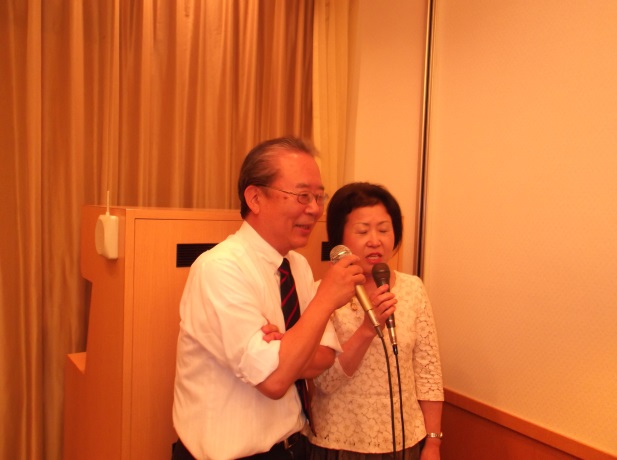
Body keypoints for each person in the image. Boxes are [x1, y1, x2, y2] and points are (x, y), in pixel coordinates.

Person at [171, 137, 364, 460]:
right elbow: (274, 381)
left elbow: (325, 357)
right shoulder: (220, 269)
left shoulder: (297, 266)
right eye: (302, 195)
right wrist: (325, 300)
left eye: (318, 196)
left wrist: (285, 346)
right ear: (255, 198)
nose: (314, 209)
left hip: (293, 447)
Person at [308, 182, 444, 460]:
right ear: (339, 239)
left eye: (383, 230)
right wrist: (367, 331)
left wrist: (433, 443)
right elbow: (325, 382)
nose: (375, 240)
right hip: (339, 443)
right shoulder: (319, 294)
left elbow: (428, 373)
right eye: (362, 231)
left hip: (405, 440)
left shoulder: (413, 289)